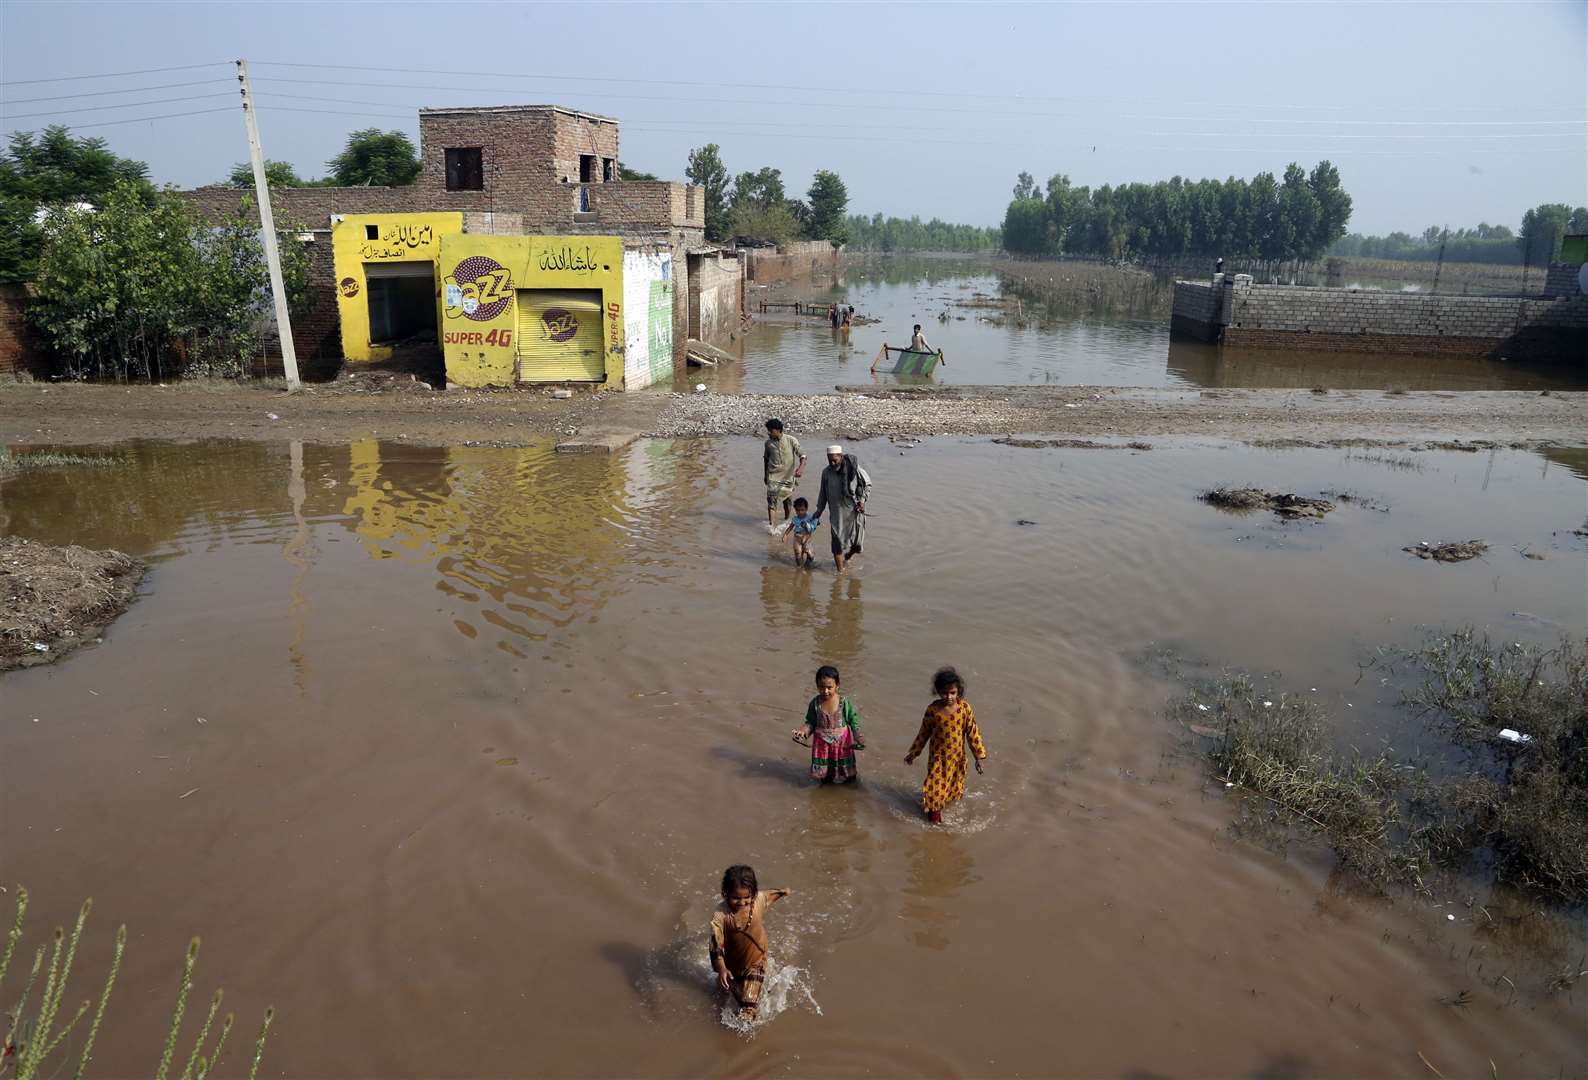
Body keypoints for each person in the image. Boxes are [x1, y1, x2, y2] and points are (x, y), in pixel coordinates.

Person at [904, 667, 987, 824]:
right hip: (938, 759)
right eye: (944, 693)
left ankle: (939, 811)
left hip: (957, 759)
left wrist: (979, 757)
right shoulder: (933, 710)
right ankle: (935, 821)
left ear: (958, 692)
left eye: (952, 693)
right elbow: (923, 733)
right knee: (934, 791)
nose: (948, 697)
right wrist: (913, 753)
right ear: (937, 691)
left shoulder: (964, 709)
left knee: (951, 788)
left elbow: (973, 733)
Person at [709, 865, 790, 1022]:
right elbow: (715, 945)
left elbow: (769, 895)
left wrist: (782, 892)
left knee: (748, 1007)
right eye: (736, 898)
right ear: (724, 894)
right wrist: (722, 968)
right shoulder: (721, 915)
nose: (742, 902)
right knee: (722, 995)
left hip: (756, 960)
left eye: (747, 897)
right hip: (732, 966)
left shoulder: (757, 900)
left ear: (753, 893)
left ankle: (745, 1038)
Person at [790, 664, 865, 782]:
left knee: (849, 776)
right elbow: (810, 722)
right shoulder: (815, 704)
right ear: (817, 686)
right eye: (821, 687)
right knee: (825, 777)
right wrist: (802, 732)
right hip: (822, 746)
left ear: (837, 685)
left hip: (842, 745)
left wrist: (858, 736)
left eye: (829, 687)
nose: (825, 691)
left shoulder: (844, 703)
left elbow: (853, 721)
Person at [812, 444, 868, 573]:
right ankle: (840, 573)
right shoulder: (826, 473)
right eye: (829, 460)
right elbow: (823, 492)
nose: (832, 463)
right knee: (837, 545)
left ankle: (848, 556)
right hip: (836, 514)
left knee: (857, 546)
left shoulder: (854, 468)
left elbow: (867, 485)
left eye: (835, 460)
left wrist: (862, 501)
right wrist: (819, 510)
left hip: (854, 512)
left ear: (841, 456)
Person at [762, 418, 806, 533]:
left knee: (787, 501)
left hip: (788, 477)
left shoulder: (791, 440)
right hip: (773, 477)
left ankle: (786, 521)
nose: (769, 433)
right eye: (768, 430)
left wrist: (800, 468)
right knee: (771, 501)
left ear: (778, 430)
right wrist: (765, 476)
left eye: (771, 431)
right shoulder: (768, 443)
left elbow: (803, 455)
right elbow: (766, 460)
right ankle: (772, 527)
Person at [780, 496, 819, 567]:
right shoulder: (795, 519)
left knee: (809, 553)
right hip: (797, 538)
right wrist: (785, 535)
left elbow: (815, 523)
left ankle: (809, 563)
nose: (800, 512)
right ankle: (799, 566)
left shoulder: (810, 517)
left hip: (807, 538)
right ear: (795, 510)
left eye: (802, 510)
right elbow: (790, 527)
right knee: (798, 553)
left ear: (806, 509)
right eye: (798, 510)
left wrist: (815, 521)